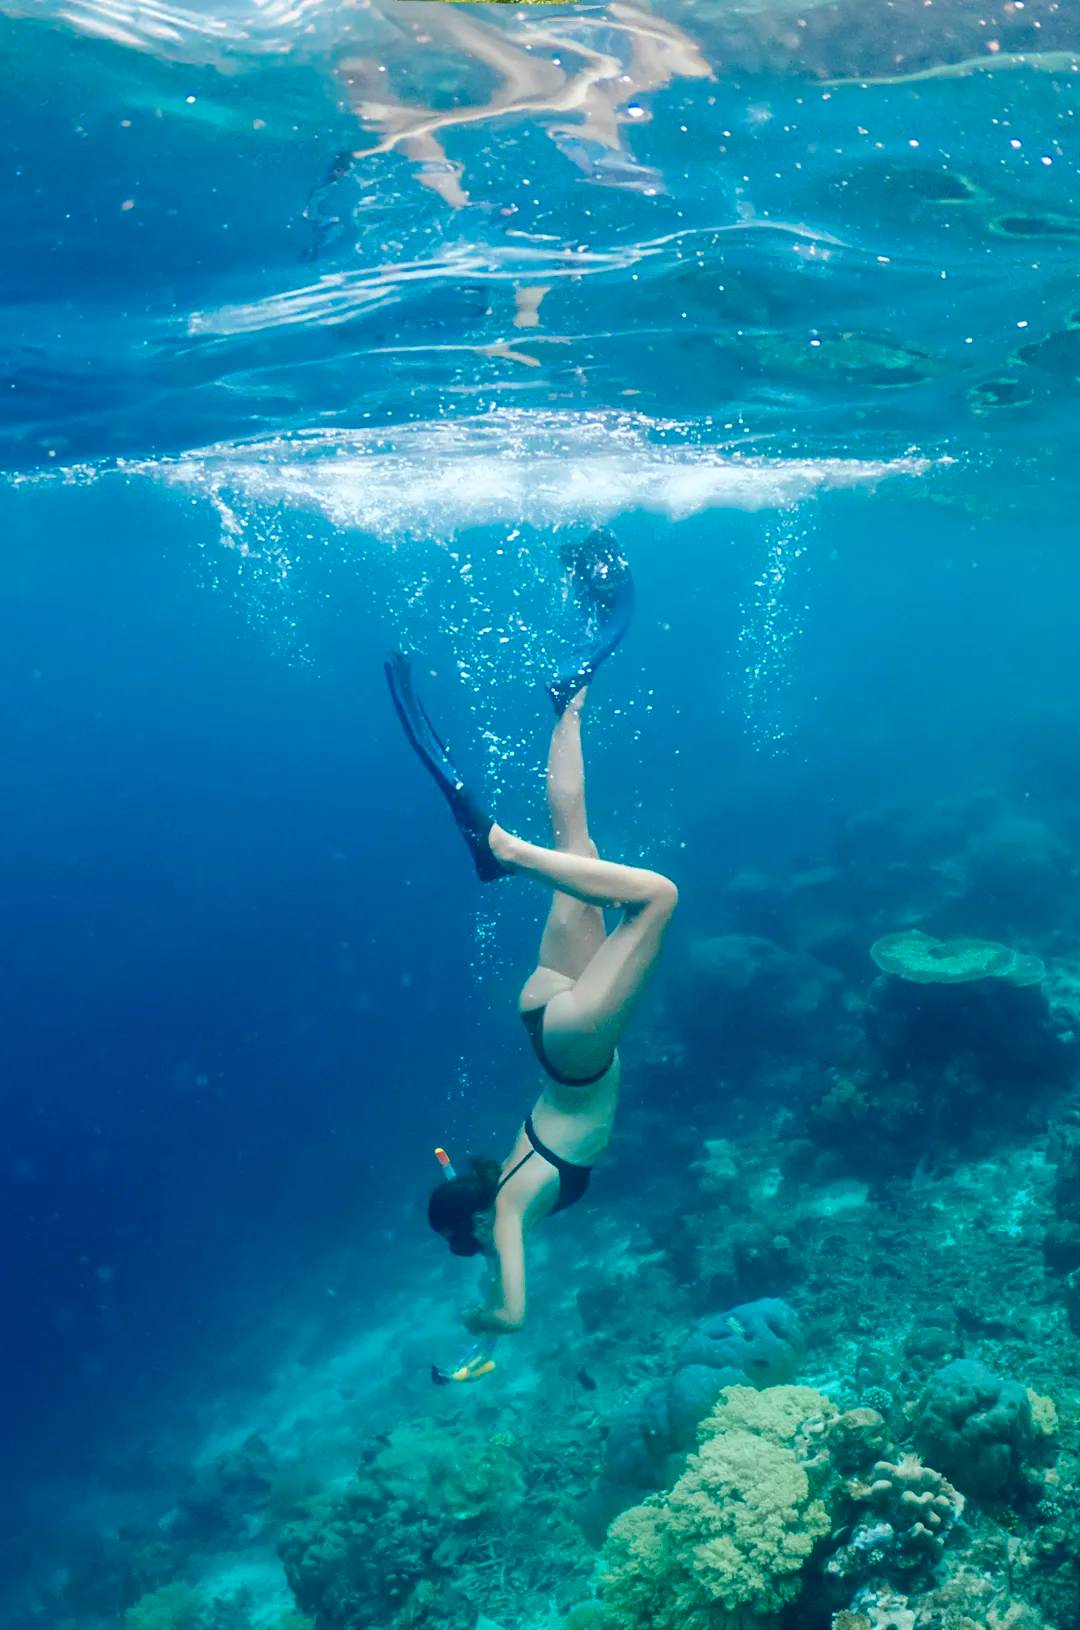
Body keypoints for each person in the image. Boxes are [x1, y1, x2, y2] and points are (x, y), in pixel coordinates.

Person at [384, 533, 677, 1342]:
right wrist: (450, 1191)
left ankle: (503, 850)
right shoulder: (485, 1182)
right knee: (577, 844)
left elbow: (514, 1307)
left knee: (655, 898)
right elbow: (456, 1183)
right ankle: (570, 699)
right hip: (546, 1017)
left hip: (576, 1051)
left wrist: (489, 1319)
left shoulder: (508, 1208)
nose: (484, 1245)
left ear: (478, 1224)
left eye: (472, 1238)